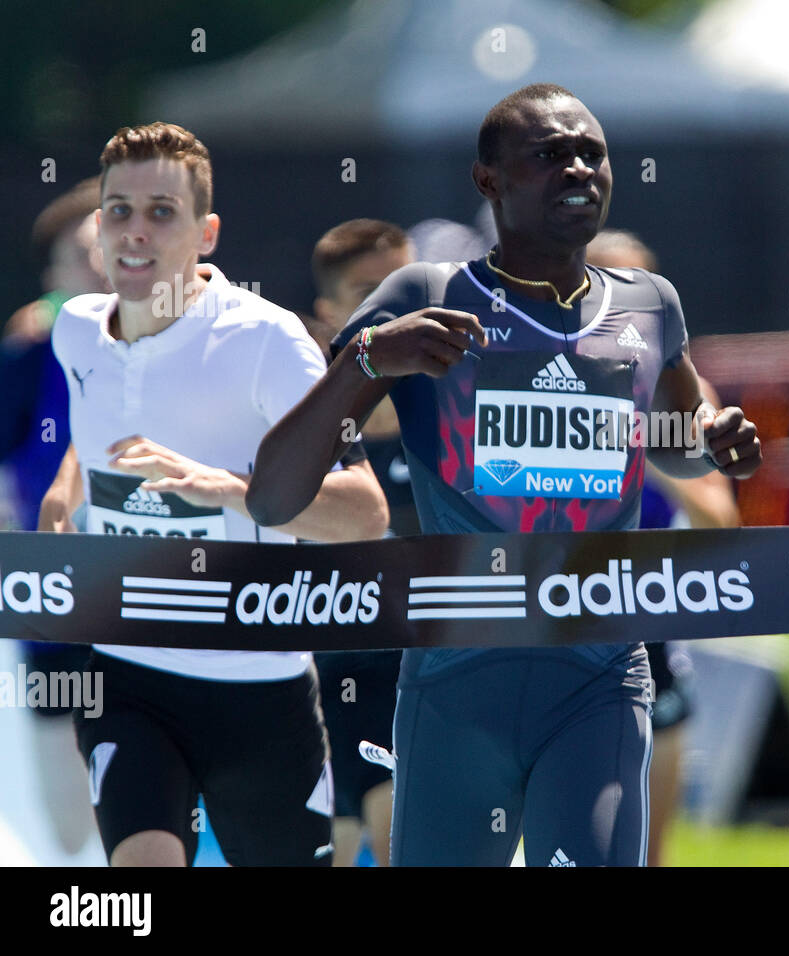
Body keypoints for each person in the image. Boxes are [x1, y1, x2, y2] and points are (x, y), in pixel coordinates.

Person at [248, 83, 761, 867]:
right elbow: (274, 495)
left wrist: (714, 442)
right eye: (551, 155)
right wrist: (367, 358)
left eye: (592, 153)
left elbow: (670, 442)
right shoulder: (425, 296)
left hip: (600, 678)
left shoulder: (650, 306)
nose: (580, 170)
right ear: (489, 180)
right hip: (458, 685)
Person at [41, 121, 389, 867]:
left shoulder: (267, 342)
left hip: (258, 688)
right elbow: (94, 427)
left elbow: (364, 512)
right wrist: (63, 497)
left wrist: (228, 488)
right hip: (122, 670)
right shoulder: (75, 332)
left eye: (162, 211)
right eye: (120, 210)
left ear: (206, 233)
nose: (136, 232)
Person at [586, 227, 740, 866]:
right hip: (556, 609)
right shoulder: (532, 374)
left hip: (645, 619)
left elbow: (718, 517)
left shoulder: (683, 393)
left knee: (651, 848)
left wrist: (643, 435)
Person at [1, 177, 109, 859]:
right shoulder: (28, 352)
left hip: (149, 597)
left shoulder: (174, 345)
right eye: (83, 252)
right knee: (67, 832)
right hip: (53, 599)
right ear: (53, 273)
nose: (100, 264)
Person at [307, 218, 417, 866]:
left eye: (401, 290)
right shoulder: (302, 423)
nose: (388, 311)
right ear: (328, 315)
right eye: (365, 292)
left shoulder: (456, 420)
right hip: (328, 670)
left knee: (398, 829)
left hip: (428, 665)